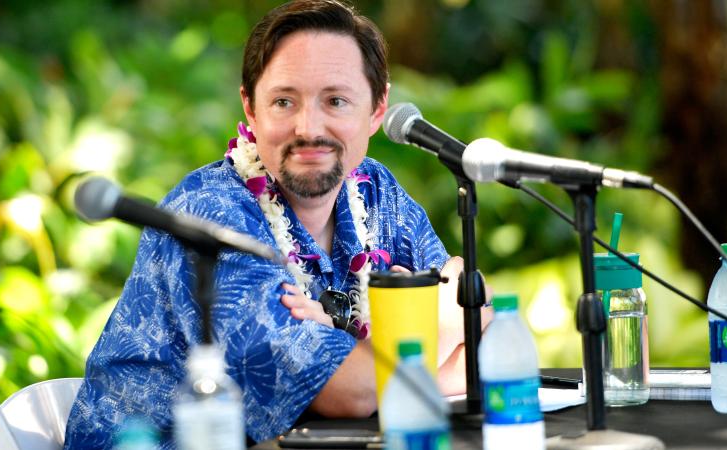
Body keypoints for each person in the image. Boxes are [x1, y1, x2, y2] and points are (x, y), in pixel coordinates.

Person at [64, 1, 481, 448]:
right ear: (251, 107)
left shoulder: (377, 192)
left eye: (336, 101)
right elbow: (350, 391)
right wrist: (440, 326)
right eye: (284, 101)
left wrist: (389, 355)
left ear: (377, 110)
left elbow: (479, 314)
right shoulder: (212, 213)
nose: (308, 127)